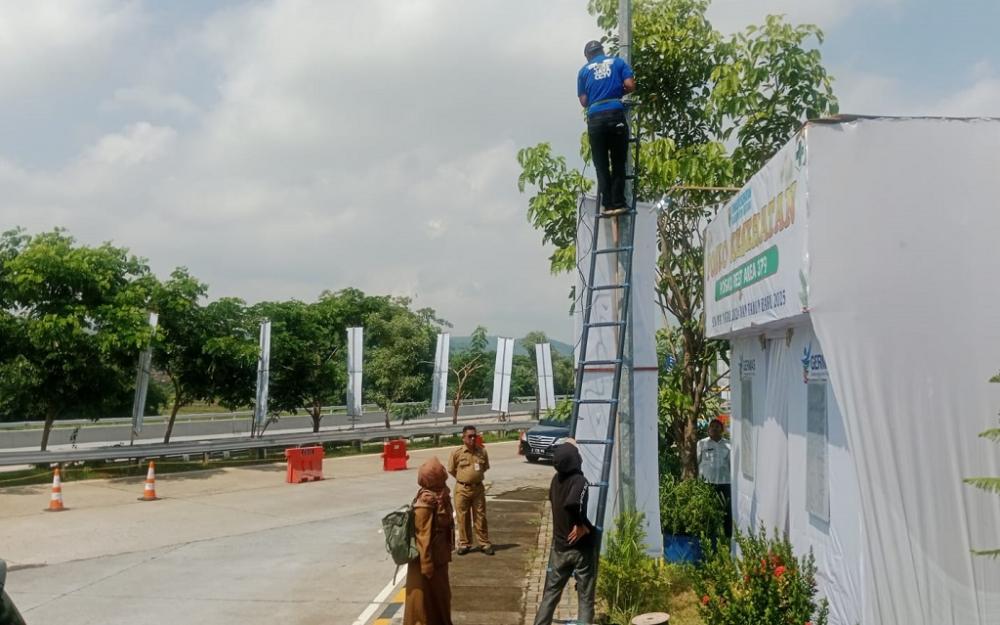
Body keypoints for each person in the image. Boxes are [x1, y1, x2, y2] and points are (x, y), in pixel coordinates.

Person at [533, 441, 596, 625]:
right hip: (579, 549)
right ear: (573, 460)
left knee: (551, 594)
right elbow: (573, 503)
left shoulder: (555, 480)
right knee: (585, 596)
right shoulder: (580, 482)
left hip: (559, 548)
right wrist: (581, 525)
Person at [577, 39, 636, 215]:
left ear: (587, 56)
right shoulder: (617, 62)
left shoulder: (583, 71)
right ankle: (619, 203)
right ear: (603, 51)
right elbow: (631, 85)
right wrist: (618, 91)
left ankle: (608, 205)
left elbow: (583, 101)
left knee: (601, 164)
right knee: (618, 161)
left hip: (595, 118)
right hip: (615, 114)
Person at [404, 457, 455, 625]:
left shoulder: (440, 495)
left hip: (439, 557)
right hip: (427, 563)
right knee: (423, 603)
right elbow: (422, 536)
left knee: (440, 598)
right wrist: (427, 565)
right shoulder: (425, 502)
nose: (444, 473)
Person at [447, 425, 493, 555]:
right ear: (463, 438)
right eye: (470, 436)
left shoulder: (482, 451)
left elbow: (485, 467)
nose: (473, 438)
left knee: (480, 516)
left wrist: (474, 477)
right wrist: (464, 478)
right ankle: (464, 543)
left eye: (475, 436)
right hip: (462, 489)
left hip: (478, 488)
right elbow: (451, 469)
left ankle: (484, 543)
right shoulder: (457, 453)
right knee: (463, 517)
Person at [697, 418, 732, 537]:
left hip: (725, 482)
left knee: (726, 511)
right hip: (707, 483)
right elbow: (696, 461)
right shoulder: (702, 443)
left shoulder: (728, 445)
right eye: (712, 427)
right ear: (708, 430)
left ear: (722, 430)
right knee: (707, 510)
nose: (714, 429)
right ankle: (707, 535)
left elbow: (731, 464)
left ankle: (728, 536)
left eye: (717, 427)